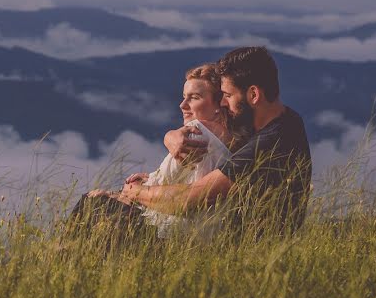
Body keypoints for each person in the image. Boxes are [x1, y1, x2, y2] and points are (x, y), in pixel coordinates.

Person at [117, 46, 312, 237]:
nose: (223, 103)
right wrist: (171, 136)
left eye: (227, 95)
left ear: (253, 95)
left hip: (245, 250)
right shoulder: (287, 120)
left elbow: (188, 201)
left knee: (100, 208)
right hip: (249, 242)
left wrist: (134, 191)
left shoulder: (268, 143)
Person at [68, 63, 242, 240]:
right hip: (204, 233)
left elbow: (161, 183)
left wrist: (129, 189)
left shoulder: (195, 133)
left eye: (194, 98)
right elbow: (183, 177)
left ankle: (63, 254)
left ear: (218, 104)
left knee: (92, 201)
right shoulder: (231, 140)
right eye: (184, 97)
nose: (183, 105)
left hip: (170, 232)